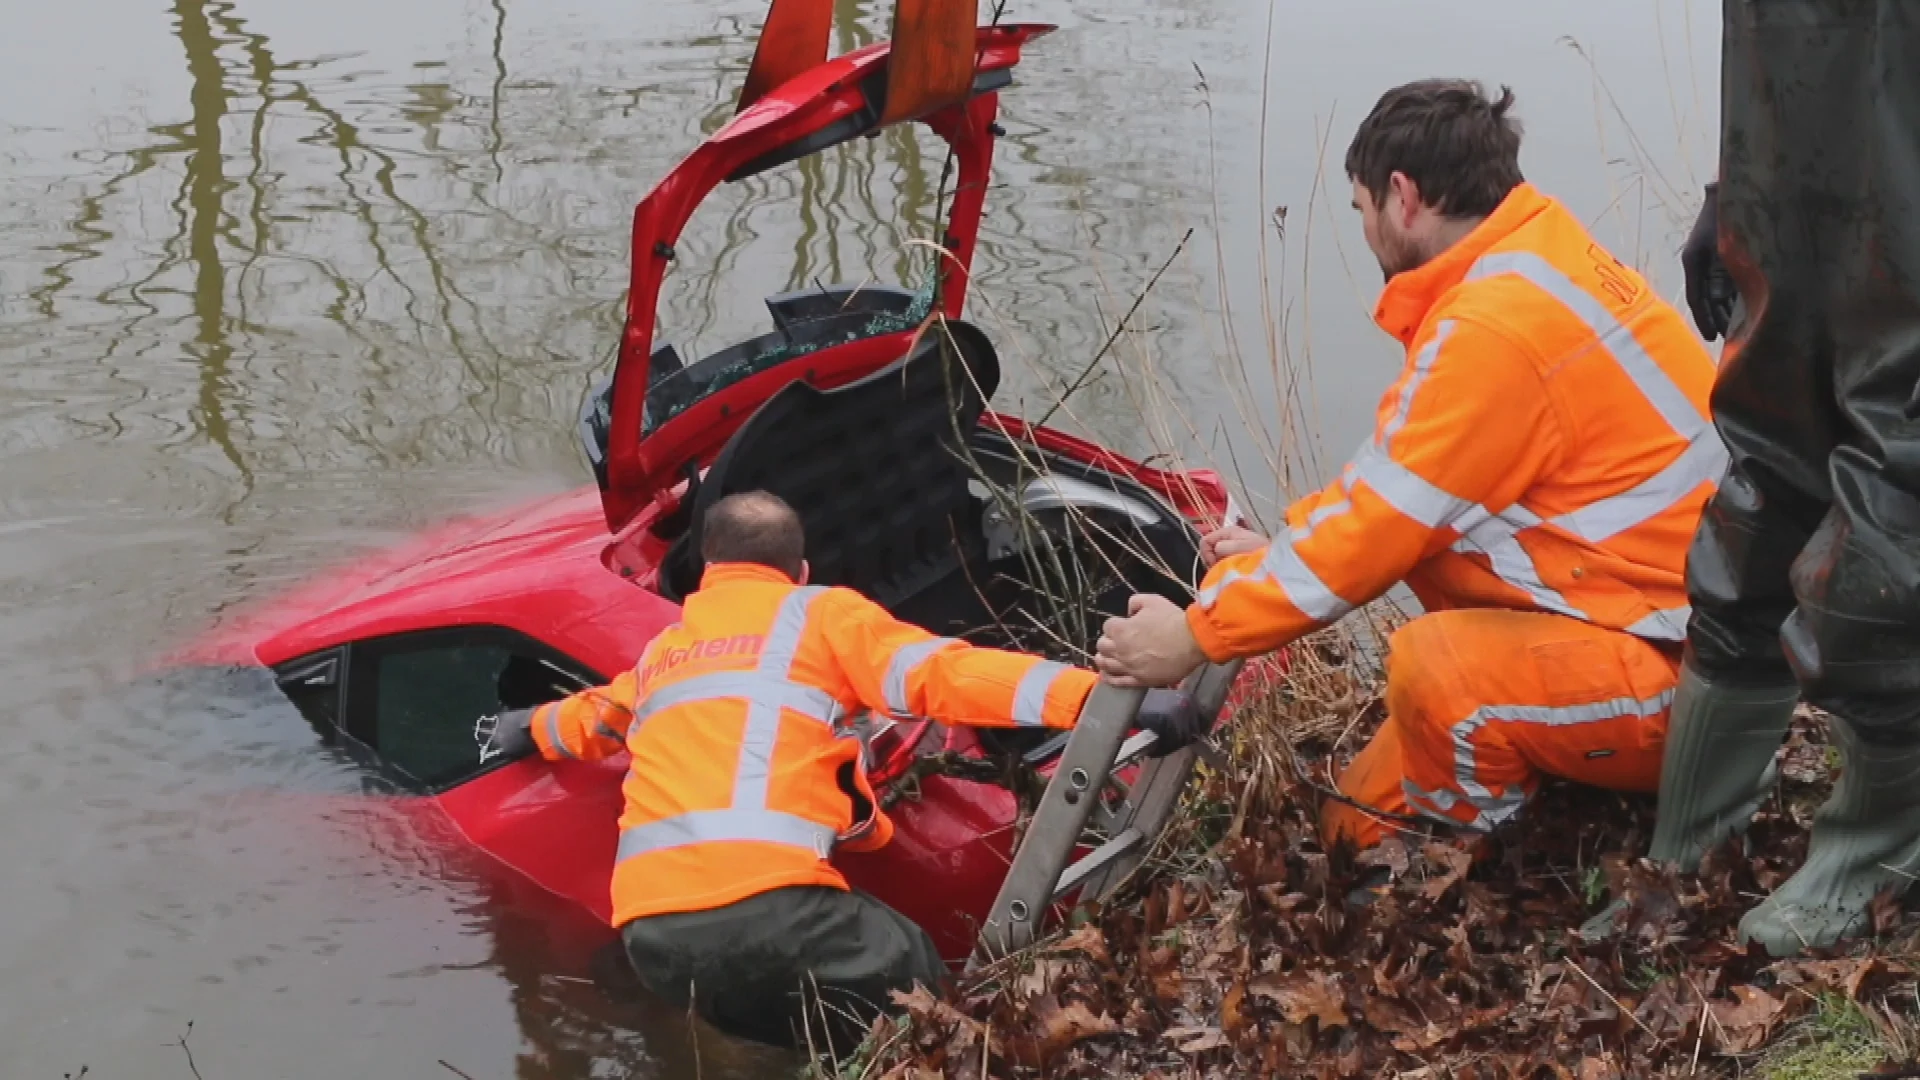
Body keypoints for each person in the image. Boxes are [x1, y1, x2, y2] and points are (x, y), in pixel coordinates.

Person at [1095, 79, 1721, 853]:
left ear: (1403, 197)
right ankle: (1458, 820)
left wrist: (1194, 636)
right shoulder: (1536, 259)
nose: (1363, 231)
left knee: (1437, 674)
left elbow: (1381, 521)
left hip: (1680, 677)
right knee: (1351, 829)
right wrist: (1284, 555)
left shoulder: (1496, 330)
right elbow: (1406, 481)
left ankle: (1483, 873)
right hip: (1662, 625)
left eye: (1360, 210)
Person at [484, 490, 1204, 1050]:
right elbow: (947, 675)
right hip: (767, 902)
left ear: (706, 573)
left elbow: (589, 720)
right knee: (919, 988)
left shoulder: (663, 657)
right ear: (798, 571)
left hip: (653, 939)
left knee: (810, 1035)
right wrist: (1106, 702)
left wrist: (526, 728)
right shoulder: (816, 617)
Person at [1651, 0, 1920, 956]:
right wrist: (1735, 188)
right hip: (1801, 177)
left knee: (1891, 515)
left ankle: (1882, 848)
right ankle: (1687, 851)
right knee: (1758, 495)